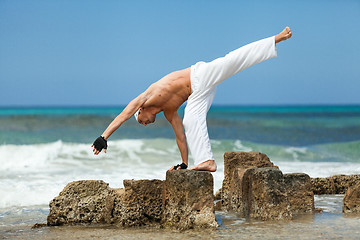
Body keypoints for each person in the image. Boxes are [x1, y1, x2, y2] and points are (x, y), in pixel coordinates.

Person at [92, 27, 292, 172]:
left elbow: (123, 115)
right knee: (190, 120)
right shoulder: (169, 113)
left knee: (232, 61)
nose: (143, 123)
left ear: (142, 110)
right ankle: (206, 161)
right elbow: (180, 137)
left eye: (140, 119)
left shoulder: (146, 97)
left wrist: (104, 137)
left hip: (200, 75)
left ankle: (275, 39)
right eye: (142, 124)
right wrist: (184, 164)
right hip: (200, 93)